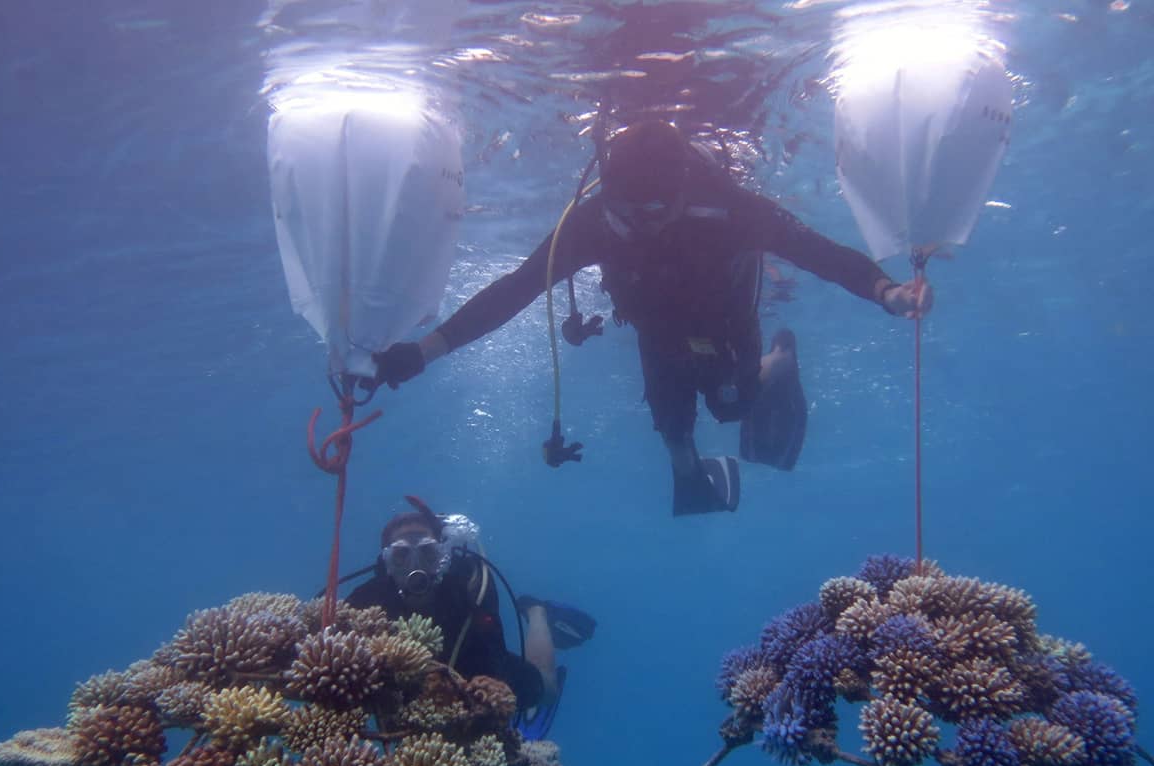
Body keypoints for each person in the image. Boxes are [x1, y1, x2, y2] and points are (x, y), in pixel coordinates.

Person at [371, 120, 932, 516]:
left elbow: (820, 254)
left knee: (731, 405)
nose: (633, 225)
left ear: (683, 193)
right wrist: (424, 351)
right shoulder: (591, 223)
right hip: (655, 327)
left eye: (651, 212)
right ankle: (690, 472)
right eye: (621, 210)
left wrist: (886, 291)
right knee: (671, 425)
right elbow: (516, 290)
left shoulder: (732, 210)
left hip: (726, 319)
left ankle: (781, 357)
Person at [344, 497, 596, 738]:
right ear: (386, 563)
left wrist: (479, 709)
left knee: (547, 691)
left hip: (476, 660)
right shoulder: (366, 599)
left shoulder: (472, 583)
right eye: (401, 555)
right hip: (409, 688)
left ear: (443, 555)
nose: (415, 564)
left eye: (428, 552)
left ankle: (537, 611)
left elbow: (493, 658)